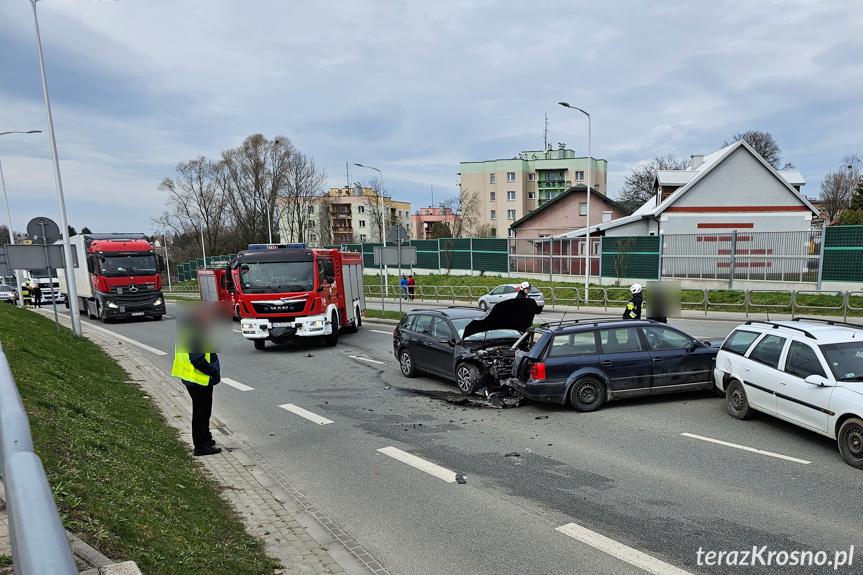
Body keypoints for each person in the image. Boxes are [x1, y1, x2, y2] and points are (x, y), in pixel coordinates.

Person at [172, 304, 222, 456]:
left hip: (194, 378)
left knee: (204, 411)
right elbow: (197, 359)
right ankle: (200, 446)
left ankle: (206, 438)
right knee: (201, 412)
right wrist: (212, 371)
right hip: (198, 379)